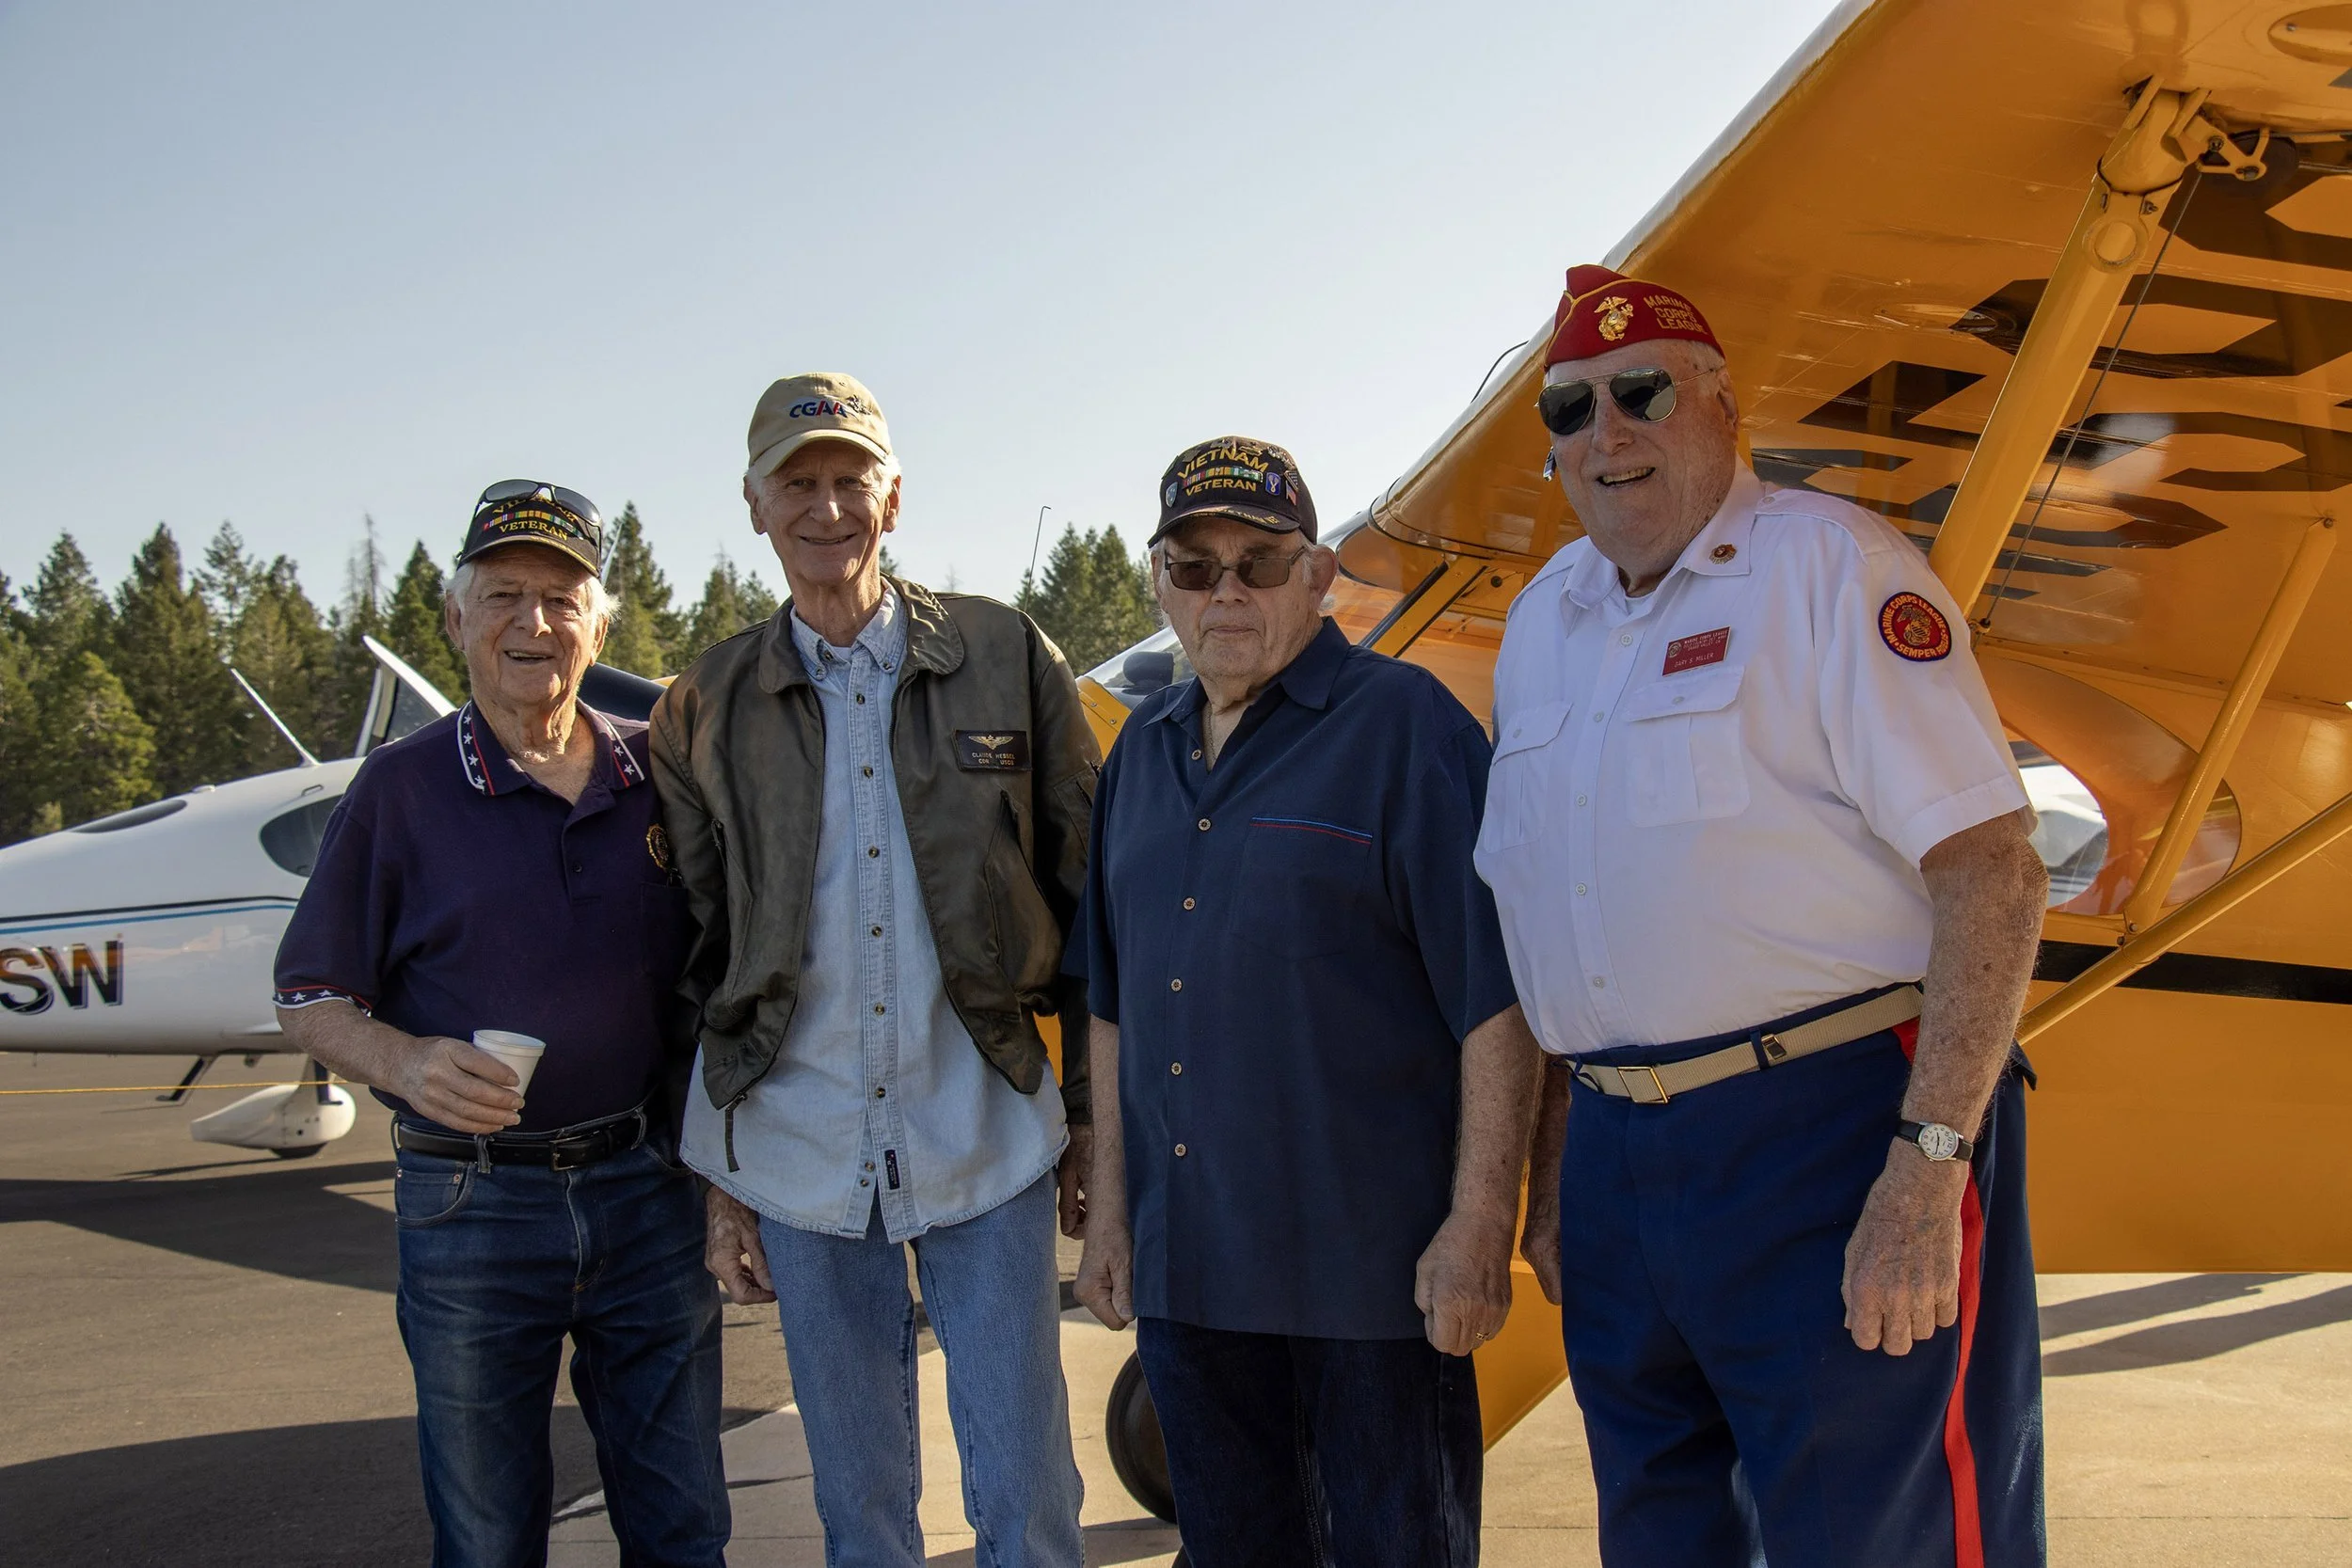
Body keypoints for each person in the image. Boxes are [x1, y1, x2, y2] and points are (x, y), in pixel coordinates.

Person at [1478, 265, 2050, 1567]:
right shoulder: (1542, 620)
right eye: (1569, 408)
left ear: (1723, 406)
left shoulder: (1831, 568)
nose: (1605, 433)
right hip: (1618, 1156)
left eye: (1641, 392)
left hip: (1833, 1129)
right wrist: (1558, 1172)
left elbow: (1995, 873)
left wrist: (1928, 1162)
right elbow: (1556, 913)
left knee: (1884, 1540)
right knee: (1660, 1537)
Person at [649, 372, 1098, 1568]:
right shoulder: (704, 705)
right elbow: (699, 957)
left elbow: (1087, 898)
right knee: (860, 1516)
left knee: (1029, 1500)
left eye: (851, 478)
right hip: (799, 1156)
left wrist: (1092, 1119)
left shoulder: (1006, 653)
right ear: (754, 504)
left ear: (893, 498)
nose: (827, 505)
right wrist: (721, 1180)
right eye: (797, 481)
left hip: (985, 1132)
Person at [1073, 436, 1540, 1568]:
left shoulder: (1407, 727)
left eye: (1260, 562)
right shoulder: (1138, 756)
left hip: (1370, 1284)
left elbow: (1498, 998)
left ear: (1317, 575)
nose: (1225, 590)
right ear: (1160, 583)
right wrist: (1113, 1215)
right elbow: (1113, 1006)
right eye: (1195, 566)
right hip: (1190, 1279)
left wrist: (1481, 1222)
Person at [273, 481, 726, 1568]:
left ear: (599, 626)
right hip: (471, 1202)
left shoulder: (660, 775)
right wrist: (405, 1059)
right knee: (485, 1537)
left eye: (562, 599)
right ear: (455, 618)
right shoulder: (399, 789)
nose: (534, 622)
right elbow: (308, 995)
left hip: (648, 1189)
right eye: (504, 595)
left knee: (683, 1524)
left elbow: (720, 971)